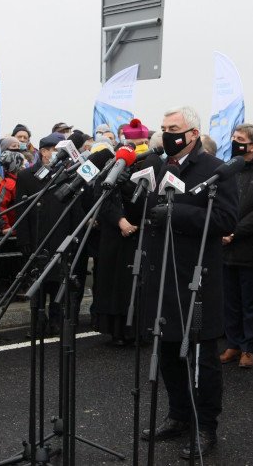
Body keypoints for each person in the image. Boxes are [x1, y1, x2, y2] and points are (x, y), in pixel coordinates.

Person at [140, 106, 238, 459]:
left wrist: (177, 213)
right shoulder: (156, 165)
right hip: (160, 275)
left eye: (174, 128)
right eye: (163, 127)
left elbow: (227, 219)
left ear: (193, 134)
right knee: (166, 350)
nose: (167, 133)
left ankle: (205, 426)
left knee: (200, 356)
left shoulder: (215, 171)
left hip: (197, 280)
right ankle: (179, 414)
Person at [95, 118, 161, 345]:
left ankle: (137, 331)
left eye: (142, 143)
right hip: (114, 234)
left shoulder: (154, 163)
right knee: (112, 284)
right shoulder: (113, 162)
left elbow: (150, 198)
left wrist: (130, 220)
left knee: (133, 283)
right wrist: (119, 220)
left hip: (139, 232)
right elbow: (101, 195)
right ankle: (115, 331)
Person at [14, 132, 80, 335]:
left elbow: (74, 208)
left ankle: (56, 321)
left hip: (61, 236)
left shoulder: (68, 176)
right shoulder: (27, 176)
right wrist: (23, 238)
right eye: (55, 151)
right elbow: (21, 210)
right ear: (44, 152)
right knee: (38, 283)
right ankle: (37, 323)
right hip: (37, 238)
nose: (59, 155)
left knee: (58, 281)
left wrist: (74, 237)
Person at [220, 124, 253, 369]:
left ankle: (248, 348)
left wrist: (235, 232)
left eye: (239, 139)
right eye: (233, 138)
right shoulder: (229, 169)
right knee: (229, 301)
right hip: (225, 248)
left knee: (250, 302)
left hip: (252, 248)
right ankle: (232, 343)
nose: (234, 142)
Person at [0, 150, 25, 234]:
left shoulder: (18, 181)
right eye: (22, 164)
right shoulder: (9, 184)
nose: (25, 167)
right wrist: (5, 226)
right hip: (11, 231)